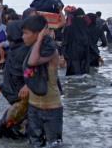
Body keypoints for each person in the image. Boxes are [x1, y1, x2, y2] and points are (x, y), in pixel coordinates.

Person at [23, 15, 63, 147]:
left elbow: (32, 62)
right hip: (34, 106)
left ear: (37, 33)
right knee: (35, 144)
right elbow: (30, 72)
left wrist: (40, 39)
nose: (23, 36)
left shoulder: (51, 50)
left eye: (26, 33)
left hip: (51, 108)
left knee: (54, 144)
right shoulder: (32, 49)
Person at [0, 19, 30, 140]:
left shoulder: (25, 50)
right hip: (18, 97)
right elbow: (10, 73)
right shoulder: (14, 49)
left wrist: (27, 84)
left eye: (8, 32)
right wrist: (0, 87)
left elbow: (31, 69)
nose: (6, 34)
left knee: (2, 128)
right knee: (4, 130)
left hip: (23, 99)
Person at [63, 8, 91, 76]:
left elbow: (64, 43)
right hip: (82, 57)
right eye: (81, 17)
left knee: (74, 78)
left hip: (73, 57)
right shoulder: (86, 29)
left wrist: (64, 56)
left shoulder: (68, 28)